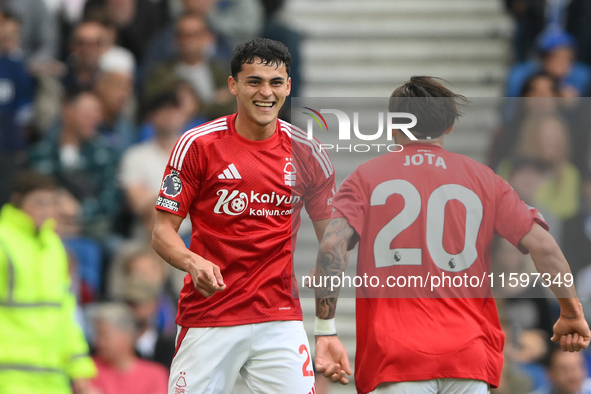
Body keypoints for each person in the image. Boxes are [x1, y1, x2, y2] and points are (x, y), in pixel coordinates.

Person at [312, 76, 591, 394]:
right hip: (467, 354)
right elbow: (544, 246)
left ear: (393, 125)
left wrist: (325, 329)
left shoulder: (365, 178)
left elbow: (333, 244)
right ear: (449, 127)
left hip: (396, 356)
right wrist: (571, 312)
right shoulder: (486, 180)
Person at [151, 38, 335, 393]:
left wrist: (326, 327)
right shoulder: (197, 145)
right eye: (254, 81)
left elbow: (336, 243)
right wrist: (192, 261)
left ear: (288, 87)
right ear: (233, 85)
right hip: (209, 315)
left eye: (275, 82)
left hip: (278, 317)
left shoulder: (308, 151)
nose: (266, 92)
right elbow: (162, 232)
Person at [0, 170, 97, 394]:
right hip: (9, 377)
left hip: (54, 378)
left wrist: (81, 374)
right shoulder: (3, 241)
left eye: (51, 203)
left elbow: (65, 314)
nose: (46, 210)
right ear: (17, 200)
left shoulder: (54, 246)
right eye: (39, 203)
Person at [89, 302, 169, 394]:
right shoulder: (88, 370)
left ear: (125, 336)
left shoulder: (156, 374)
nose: (98, 342)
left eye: (103, 334)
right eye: (97, 335)